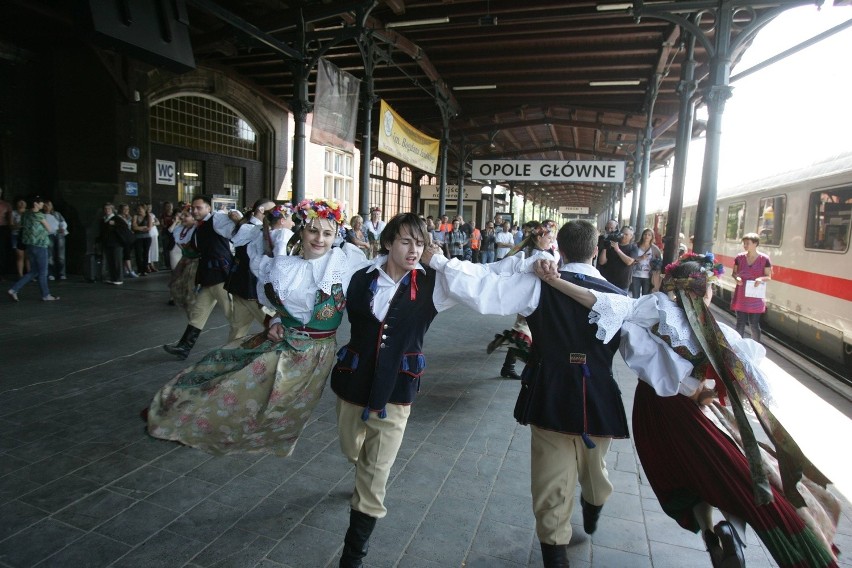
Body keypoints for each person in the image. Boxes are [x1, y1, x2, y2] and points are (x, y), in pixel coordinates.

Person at [535, 251, 840, 568]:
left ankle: (711, 535)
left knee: (683, 478)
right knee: (731, 476)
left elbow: (599, 301)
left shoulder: (654, 308)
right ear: (703, 290)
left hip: (654, 412)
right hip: (694, 416)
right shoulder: (716, 330)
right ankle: (743, 537)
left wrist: (556, 281)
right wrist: (705, 389)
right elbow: (746, 377)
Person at [426, 220, 629, 568]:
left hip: (549, 388)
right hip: (597, 393)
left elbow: (484, 288)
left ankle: (555, 553)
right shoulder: (619, 296)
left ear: (560, 250)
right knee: (596, 467)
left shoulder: (539, 284)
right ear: (597, 251)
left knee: (551, 477)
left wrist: (440, 261)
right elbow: (643, 353)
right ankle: (593, 506)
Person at [148, 198, 368, 455]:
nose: (320, 239)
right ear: (302, 230)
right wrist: (276, 320)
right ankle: (199, 416)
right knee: (236, 379)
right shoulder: (285, 266)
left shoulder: (345, 265)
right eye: (313, 230)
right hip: (282, 343)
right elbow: (282, 306)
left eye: (328, 233)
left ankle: (256, 431)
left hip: (316, 353)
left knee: (281, 406)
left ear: (336, 235)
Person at [162, 194, 238, 359]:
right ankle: (184, 347)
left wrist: (235, 217)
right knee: (198, 313)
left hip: (221, 277)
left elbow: (235, 228)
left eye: (199, 208)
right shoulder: (199, 227)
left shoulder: (217, 220)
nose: (195, 211)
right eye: (193, 208)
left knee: (233, 314)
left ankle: (241, 346)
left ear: (208, 208)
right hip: (207, 277)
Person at [486, 221, 556, 379]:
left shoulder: (526, 251)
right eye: (549, 238)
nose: (551, 241)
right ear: (539, 238)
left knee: (523, 329)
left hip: (523, 297)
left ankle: (509, 364)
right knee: (526, 331)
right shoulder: (542, 256)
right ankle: (527, 364)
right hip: (533, 299)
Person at [7, 196, 59, 302]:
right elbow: (49, 229)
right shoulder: (39, 215)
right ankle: (46, 295)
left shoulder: (25, 214)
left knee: (34, 271)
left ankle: (14, 289)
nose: (42, 205)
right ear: (35, 204)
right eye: (40, 203)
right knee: (43, 272)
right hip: (40, 245)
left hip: (29, 245)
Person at [730, 232, 772, 343]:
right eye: (744, 243)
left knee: (754, 324)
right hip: (741, 294)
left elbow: (768, 276)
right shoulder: (739, 258)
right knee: (740, 322)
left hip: (755, 295)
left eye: (747, 243)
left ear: (755, 244)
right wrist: (737, 278)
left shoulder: (765, 259)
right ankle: (737, 345)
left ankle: (756, 346)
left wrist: (760, 279)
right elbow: (734, 273)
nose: (745, 245)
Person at [597, 225, 637, 291]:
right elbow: (602, 262)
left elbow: (629, 262)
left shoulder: (633, 248)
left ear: (631, 236)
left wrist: (617, 250)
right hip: (608, 280)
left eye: (626, 234)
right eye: (622, 233)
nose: (623, 236)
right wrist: (605, 247)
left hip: (623, 283)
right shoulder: (612, 244)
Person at [630, 228, 662, 298]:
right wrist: (640, 258)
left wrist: (654, 265)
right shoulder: (636, 246)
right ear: (642, 235)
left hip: (648, 276)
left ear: (652, 237)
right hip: (635, 275)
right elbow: (630, 260)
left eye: (649, 235)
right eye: (645, 234)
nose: (647, 236)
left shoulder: (654, 249)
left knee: (646, 297)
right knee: (635, 297)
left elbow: (659, 262)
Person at [43, 200, 68, 281]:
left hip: (59, 235)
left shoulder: (56, 214)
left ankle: (62, 273)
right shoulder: (42, 215)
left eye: (49, 205)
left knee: (61, 256)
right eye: (46, 205)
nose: (47, 206)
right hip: (49, 235)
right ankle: (51, 273)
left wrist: (63, 229)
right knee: (50, 256)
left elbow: (63, 222)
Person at [131, 203, 153, 277]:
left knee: (145, 253)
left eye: (140, 209)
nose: (139, 210)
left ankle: (144, 270)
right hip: (137, 238)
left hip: (147, 237)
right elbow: (134, 227)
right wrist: (143, 227)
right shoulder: (135, 216)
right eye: (138, 209)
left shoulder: (148, 216)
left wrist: (138, 228)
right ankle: (139, 270)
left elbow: (149, 227)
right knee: (138, 254)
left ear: (144, 209)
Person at [0, 187, 12, 278]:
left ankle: (2, 273)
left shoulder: (6, 205)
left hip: (2, 228)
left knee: (2, 250)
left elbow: (10, 219)